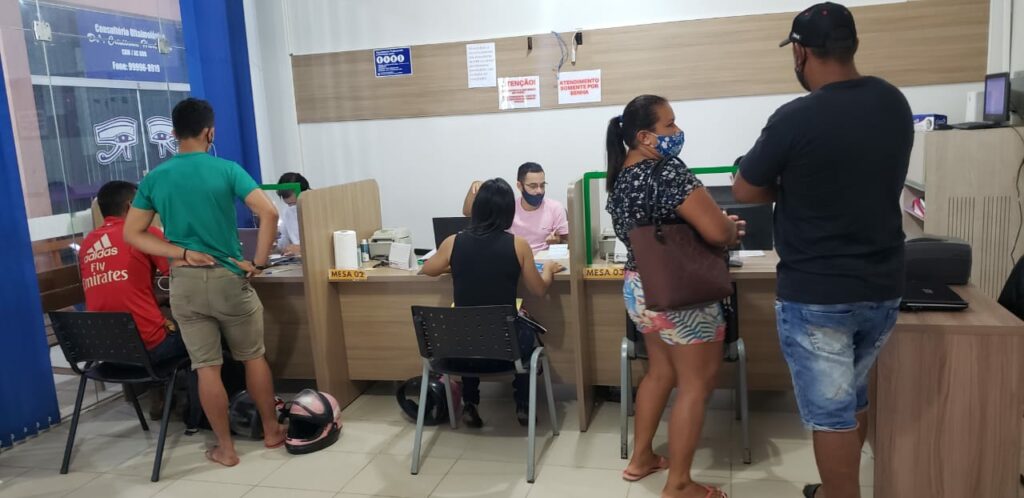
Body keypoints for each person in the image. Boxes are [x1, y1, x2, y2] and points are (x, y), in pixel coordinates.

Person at [732, 4, 912, 498]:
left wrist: (787, 185)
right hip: (883, 285)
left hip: (818, 294)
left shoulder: (795, 117)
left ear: (800, 52)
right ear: (852, 45)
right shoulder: (893, 102)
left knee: (830, 413)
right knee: (853, 394)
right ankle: (839, 489)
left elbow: (744, 189)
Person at [124, 97, 285, 467]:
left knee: (206, 367)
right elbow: (269, 212)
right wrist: (258, 263)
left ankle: (225, 449)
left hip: (186, 283)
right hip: (229, 278)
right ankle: (272, 431)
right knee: (253, 357)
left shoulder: (155, 178)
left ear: (174, 134)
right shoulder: (226, 169)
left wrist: (180, 252)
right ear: (209, 132)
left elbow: (133, 234)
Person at [606, 95, 742, 498]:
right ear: (645, 136)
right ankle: (679, 483)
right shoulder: (667, 171)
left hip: (640, 287)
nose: (677, 131)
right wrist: (730, 229)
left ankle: (641, 458)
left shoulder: (621, 176)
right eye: (669, 124)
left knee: (660, 373)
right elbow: (716, 231)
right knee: (696, 384)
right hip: (682, 291)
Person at [423, 178, 564, 427]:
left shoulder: (453, 242)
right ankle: (523, 404)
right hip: (506, 345)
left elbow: (428, 269)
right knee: (526, 333)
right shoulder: (518, 245)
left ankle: (470, 403)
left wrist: (454, 264)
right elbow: (538, 289)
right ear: (508, 211)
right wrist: (550, 270)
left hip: (461, 348)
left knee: (470, 327)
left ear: (477, 210)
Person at [80, 180, 187, 419]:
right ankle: (195, 408)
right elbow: (181, 273)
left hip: (108, 352)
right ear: (131, 206)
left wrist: (155, 298)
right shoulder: (144, 234)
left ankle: (160, 396)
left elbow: (115, 290)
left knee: (154, 323)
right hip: (150, 352)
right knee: (204, 334)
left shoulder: (87, 244)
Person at [462, 162, 569, 252]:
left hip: (545, 260)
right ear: (519, 186)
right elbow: (467, 212)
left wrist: (558, 240)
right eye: (533, 186)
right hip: (513, 260)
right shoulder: (509, 206)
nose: (539, 191)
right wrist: (474, 188)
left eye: (542, 185)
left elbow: (568, 241)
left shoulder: (555, 207)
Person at [275, 172, 310, 256]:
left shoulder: (319, 210)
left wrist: (301, 248)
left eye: (294, 204)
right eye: (288, 204)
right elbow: (286, 238)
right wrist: (275, 246)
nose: (292, 207)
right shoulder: (288, 211)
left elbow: (324, 242)